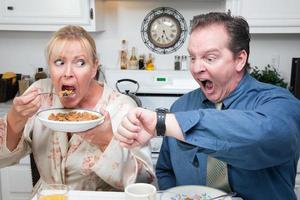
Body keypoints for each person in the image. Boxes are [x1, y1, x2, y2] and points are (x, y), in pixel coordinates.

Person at [116, 12, 300, 200]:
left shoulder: (279, 103)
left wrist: (165, 123)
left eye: (209, 58)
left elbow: (263, 136)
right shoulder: (181, 107)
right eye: (193, 58)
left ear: (240, 60)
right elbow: (166, 170)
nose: (196, 68)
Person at [0, 25, 155, 196]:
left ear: (94, 68)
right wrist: (15, 120)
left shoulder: (123, 107)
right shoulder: (40, 96)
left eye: (80, 63)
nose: (68, 73)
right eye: (59, 62)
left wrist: (106, 142)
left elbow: (144, 182)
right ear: (49, 66)